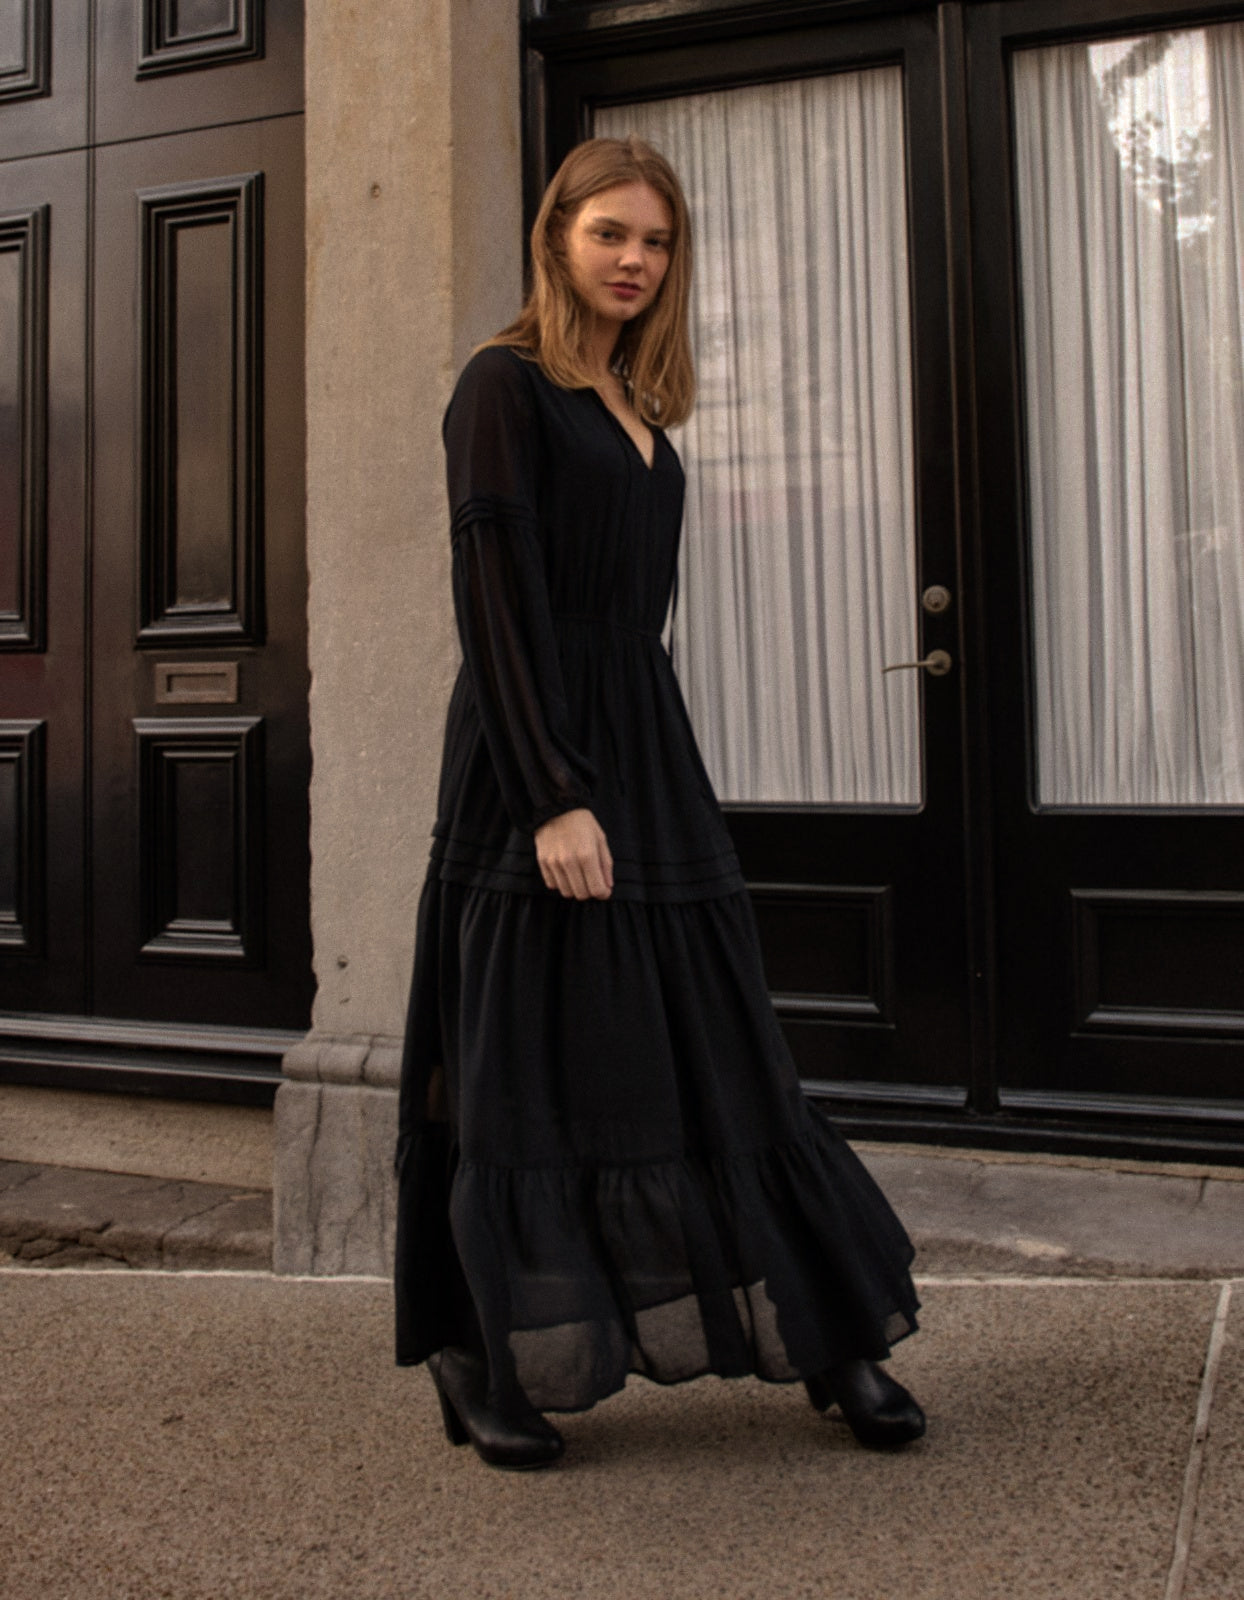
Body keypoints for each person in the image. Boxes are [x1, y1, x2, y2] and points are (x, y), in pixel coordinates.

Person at [393, 134, 925, 1471]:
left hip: (646, 746)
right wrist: (552, 796)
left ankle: (833, 1337)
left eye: (658, 241)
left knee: (724, 1038)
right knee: (516, 1060)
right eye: (610, 233)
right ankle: (476, 1361)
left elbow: (632, 622)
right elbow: (496, 606)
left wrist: (628, 776)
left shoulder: (644, 409)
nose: (635, 259)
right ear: (555, 236)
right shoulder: (501, 387)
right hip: (536, 758)